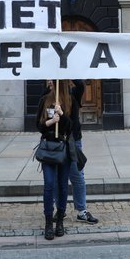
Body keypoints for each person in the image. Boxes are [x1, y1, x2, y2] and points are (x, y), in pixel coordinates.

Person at [46, 79, 99, 225]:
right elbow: (43, 118)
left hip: (72, 141)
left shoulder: (73, 94)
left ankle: (81, 211)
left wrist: (68, 72)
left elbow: (81, 84)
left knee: (77, 175)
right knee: (57, 177)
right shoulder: (49, 97)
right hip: (56, 142)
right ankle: (60, 209)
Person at [37, 79, 74, 240]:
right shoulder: (45, 99)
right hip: (48, 148)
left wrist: (62, 115)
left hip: (63, 149)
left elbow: (72, 127)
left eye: (53, 79)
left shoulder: (70, 100)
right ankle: (48, 222)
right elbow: (38, 125)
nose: (50, 82)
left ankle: (60, 220)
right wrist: (51, 121)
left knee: (63, 186)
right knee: (49, 184)